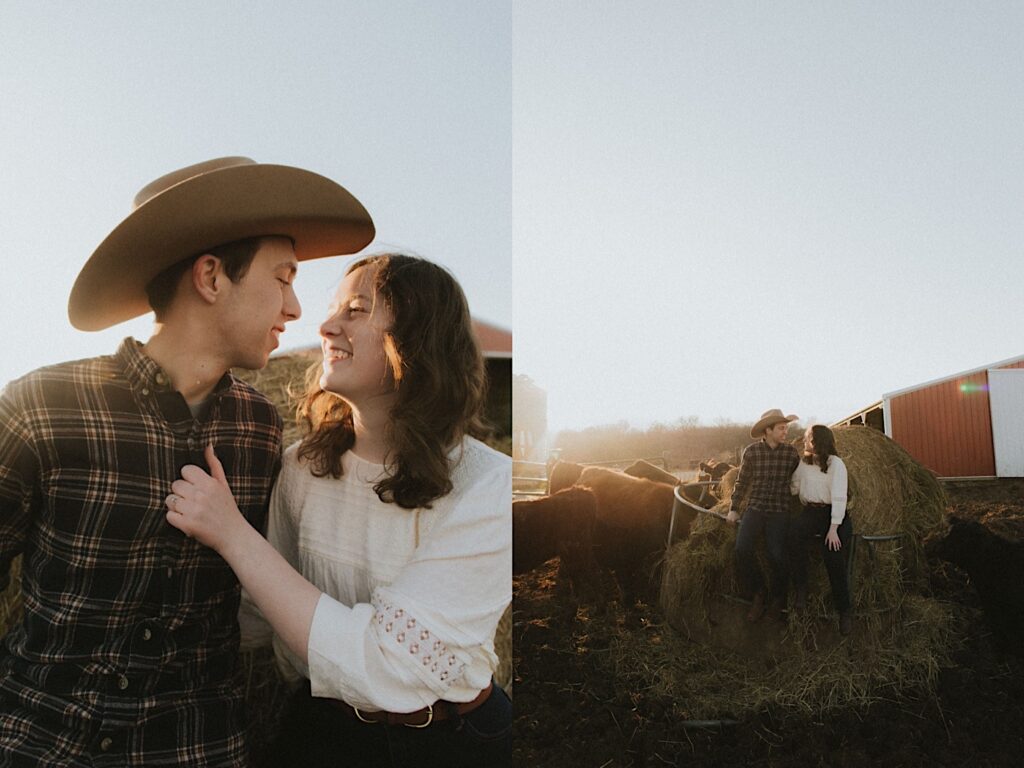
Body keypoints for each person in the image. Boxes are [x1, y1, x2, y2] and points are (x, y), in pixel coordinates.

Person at [0, 156, 373, 767]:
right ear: (210, 277)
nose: (297, 308)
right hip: (35, 740)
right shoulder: (41, 405)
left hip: (195, 748)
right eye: (283, 278)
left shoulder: (259, 430)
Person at [164, 253, 512, 768]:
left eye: (357, 309)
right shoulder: (302, 470)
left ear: (417, 337)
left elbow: (387, 664)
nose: (326, 326)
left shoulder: (488, 486)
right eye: (335, 310)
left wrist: (233, 535)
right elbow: (261, 615)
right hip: (321, 728)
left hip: (451, 739)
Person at [726, 408, 801, 622]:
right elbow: (741, 482)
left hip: (779, 510)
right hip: (756, 508)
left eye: (786, 427)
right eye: (781, 428)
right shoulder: (751, 452)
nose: (785, 431)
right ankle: (758, 592)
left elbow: (802, 478)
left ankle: (778, 598)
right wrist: (733, 508)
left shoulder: (791, 454)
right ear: (767, 430)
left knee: (776, 554)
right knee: (742, 549)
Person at [789, 424, 853, 636]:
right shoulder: (804, 463)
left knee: (833, 555)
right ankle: (801, 588)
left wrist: (833, 528)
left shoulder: (836, 464)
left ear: (817, 441)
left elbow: (839, 497)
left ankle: (844, 611)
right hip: (811, 512)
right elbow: (795, 487)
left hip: (834, 514)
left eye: (807, 438)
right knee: (794, 536)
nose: (804, 441)